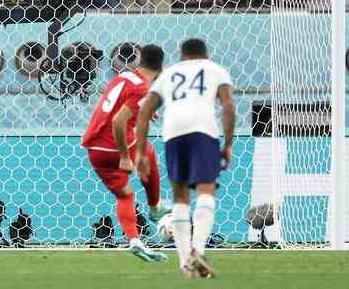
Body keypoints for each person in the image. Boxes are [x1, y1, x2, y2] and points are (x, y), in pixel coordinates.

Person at [134, 38, 236, 279]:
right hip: (203, 130)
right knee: (205, 191)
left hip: (173, 133)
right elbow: (229, 106)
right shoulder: (215, 70)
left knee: (180, 197)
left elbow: (144, 110)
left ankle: (184, 262)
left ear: (182, 55)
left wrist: (139, 152)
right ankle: (198, 251)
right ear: (205, 54)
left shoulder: (169, 73)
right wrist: (228, 144)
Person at [81, 44, 170, 263]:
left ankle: (134, 240)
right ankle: (155, 207)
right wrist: (123, 156)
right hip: (114, 145)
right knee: (147, 150)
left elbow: (116, 105)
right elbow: (118, 120)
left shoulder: (124, 77)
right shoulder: (144, 89)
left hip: (95, 149)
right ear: (161, 67)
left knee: (125, 194)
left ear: (140, 62)